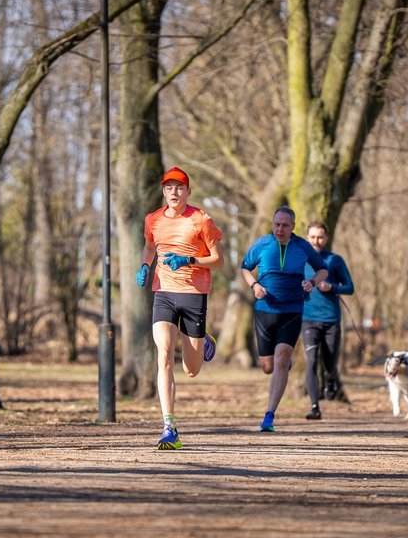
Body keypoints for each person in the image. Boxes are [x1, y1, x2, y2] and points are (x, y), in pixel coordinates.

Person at [136, 167, 223, 450]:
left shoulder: (201, 219)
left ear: (188, 192)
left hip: (194, 294)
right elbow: (150, 247)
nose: (174, 192)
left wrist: (189, 260)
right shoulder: (153, 219)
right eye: (169, 187)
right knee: (163, 353)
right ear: (163, 191)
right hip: (163, 292)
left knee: (191, 370)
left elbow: (218, 260)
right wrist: (145, 265)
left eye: (179, 187)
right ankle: (169, 426)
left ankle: (204, 340)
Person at [240, 206, 327, 432]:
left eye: (285, 225)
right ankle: (281, 363)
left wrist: (312, 282)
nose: (279, 229)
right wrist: (254, 285)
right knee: (268, 366)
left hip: (292, 310)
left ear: (293, 227)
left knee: (281, 359)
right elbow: (245, 268)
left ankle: (269, 416)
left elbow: (323, 270)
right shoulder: (262, 244)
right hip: (265, 310)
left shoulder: (302, 246)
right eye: (276, 224)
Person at [301, 221, 355, 420]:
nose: (316, 241)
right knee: (311, 361)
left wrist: (332, 287)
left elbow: (350, 287)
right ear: (307, 238)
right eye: (313, 237)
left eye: (320, 237)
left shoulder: (335, 260)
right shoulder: (299, 259)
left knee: (329, 362)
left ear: (326, 238)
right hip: (307, 318)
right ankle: (315, 407)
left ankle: (330, 377)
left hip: (331, 319)